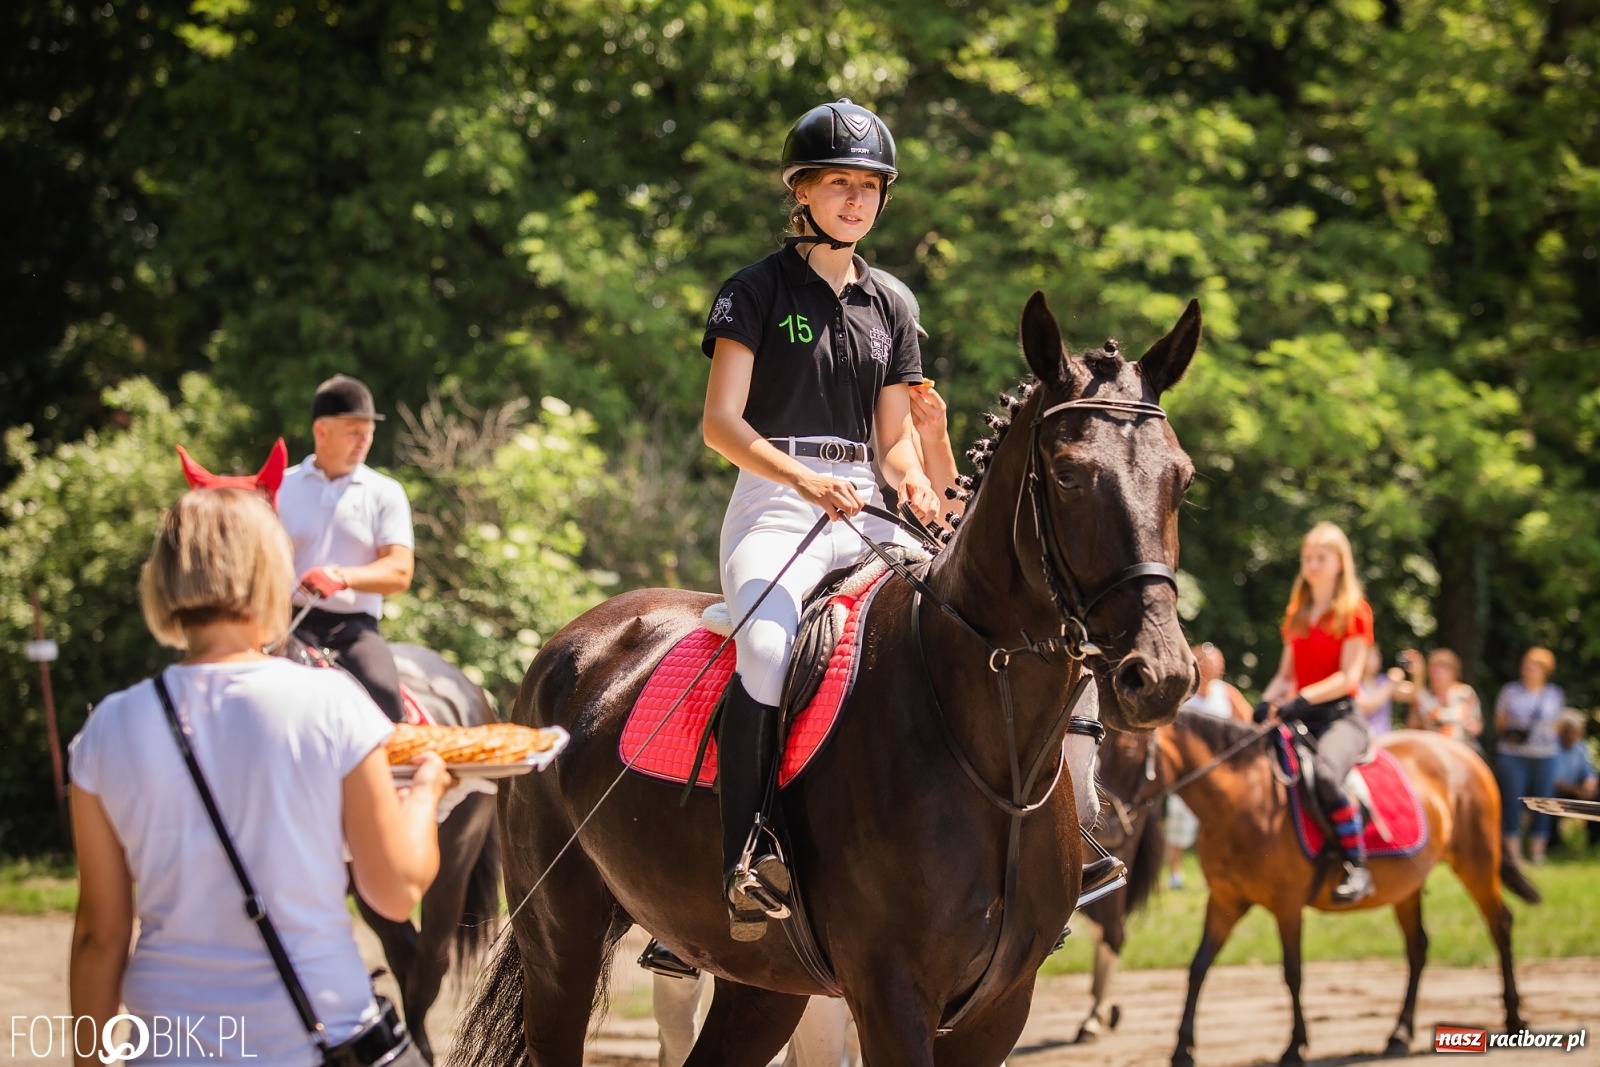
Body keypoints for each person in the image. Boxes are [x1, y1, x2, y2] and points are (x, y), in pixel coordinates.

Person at [69, 488, 452, 1067]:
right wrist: (425, 793)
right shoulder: (332, 702)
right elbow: (395, 892)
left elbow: (99, 937)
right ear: (271, 574)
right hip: (319, 1038)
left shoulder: (108, 727)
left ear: (164, 578)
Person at [699, 98, 939, 939]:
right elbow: (721, 424)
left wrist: (913, 482)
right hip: (775, 503)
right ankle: (744, 855)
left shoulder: (892, 303)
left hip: (867, 505)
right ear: (799, 189)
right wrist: (805, 479)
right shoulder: (754, 290)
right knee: (767, 647)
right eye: (838, 183)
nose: (855, 199)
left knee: (970, 621)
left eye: (869, 186)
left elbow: (893, 440)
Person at [278, 374, 415, 722]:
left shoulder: (385, 492)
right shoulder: (280, 488)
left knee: (385, 695)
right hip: (286, 623)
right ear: (321, 431)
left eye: (369, 432)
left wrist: (342, 576)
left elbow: (400, 571)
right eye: (354, 431)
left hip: (353, 631)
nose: (364, 441)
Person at [1255, 522, 1377, 904]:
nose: (1312, 564)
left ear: (1340, 563)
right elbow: (1284, 675)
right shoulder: (1298, 612)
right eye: (1308, 557)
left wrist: (1303, 698)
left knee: (1325, 774)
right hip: (1300, 715)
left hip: (1341, 718)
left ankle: (1357, 866)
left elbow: (1349, 677)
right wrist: (1264, 701)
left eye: (1321, 557)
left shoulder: (1354, 611)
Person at [1165, 643, 1250, 887]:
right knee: (1179, 825)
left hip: (1220, 774)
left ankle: (1219, 870)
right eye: (1209, 663)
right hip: (1187, 776)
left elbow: (1247, 723)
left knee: (1221, 825)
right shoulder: (1183, 694)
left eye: (1217, 664)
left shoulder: (1227, 693)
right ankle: (1174, 872)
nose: (1214, 668)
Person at [1494, 646, 1564, 865]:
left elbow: (1558, 725)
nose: (1527, 668)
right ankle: (1514, 855)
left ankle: (1537, 853)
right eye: (1526, 664)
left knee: (1544, 802)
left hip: (1545, 755)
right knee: (1512, 802)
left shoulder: (1554, 694)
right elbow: (1500, 722)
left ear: (1545, 670)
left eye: (1533, 665)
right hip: (1513, 754)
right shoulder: (1510, 692)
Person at [1398, 648, 1483, 745]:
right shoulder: (1423, 695)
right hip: (1431, 747)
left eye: (1442, 668)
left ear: (1453, 672)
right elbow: (1411, 726)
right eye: (1433, 668)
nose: (1436, 673)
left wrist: (1473, 726)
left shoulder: (1464, 693)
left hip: (1462, 746)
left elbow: (1477, 724)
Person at [1354, 644, 1398, 735]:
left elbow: (1413, 694)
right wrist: (1391, 683)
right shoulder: (1354, 684)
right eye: (1372, 655)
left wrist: (1417, 672)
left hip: (1385, 737)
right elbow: (1367, 707)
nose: (1378, 658)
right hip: (1364, 738)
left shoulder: (1383, 680)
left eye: (1378, 654)